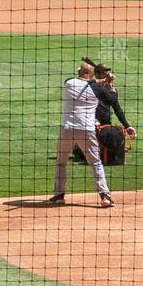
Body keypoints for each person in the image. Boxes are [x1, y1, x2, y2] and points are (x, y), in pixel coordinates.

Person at [48, 61, 113, 208]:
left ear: (80, 73)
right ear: (90, 74)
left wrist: (99, 81)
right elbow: (111, 99)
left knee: (61, 162)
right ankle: (105, 196)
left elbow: (83, 82)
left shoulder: (70, 83)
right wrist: (109, 82)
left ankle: (59, 194)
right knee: (96, 163)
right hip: (87, 130)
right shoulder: (97, 89)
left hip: (68, 129)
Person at [79, 60, 134, 167]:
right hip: (90, 123)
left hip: (105, 126)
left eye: (107, 72)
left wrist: (127, 126)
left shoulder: (111, 89)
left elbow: (117, 108)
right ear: (97, 74)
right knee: (86, 155)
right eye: (104, 72)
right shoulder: (90, 87)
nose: (107, 74)